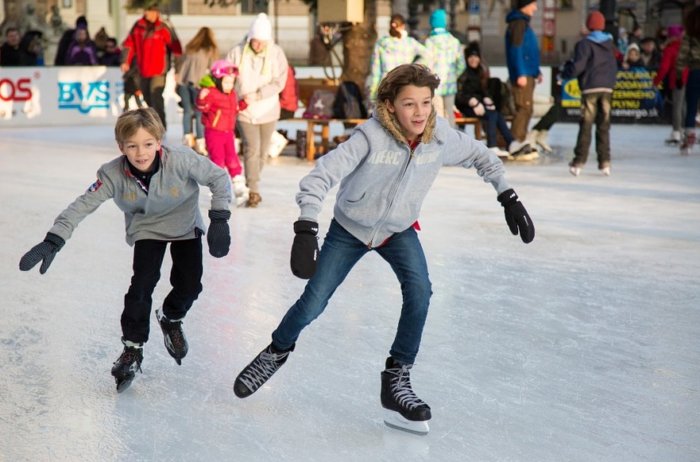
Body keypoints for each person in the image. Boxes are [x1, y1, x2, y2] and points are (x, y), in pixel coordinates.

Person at [231, 64, 535, 435]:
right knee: (313, 302)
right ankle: (276, 351)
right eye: (409, 104)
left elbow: (482, 156)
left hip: (398, 230)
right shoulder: (369, 137)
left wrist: (507, 195)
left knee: (420, 292)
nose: (420, 112)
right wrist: (307, 226)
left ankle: (397, 378)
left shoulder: (439, 138)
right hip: (350, 229)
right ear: (390, 106)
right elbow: (320, 175)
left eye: (426, 102)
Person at [18, 108, 232, 392]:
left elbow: (219, 178)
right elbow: (83, 204)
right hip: (146, 228)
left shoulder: (181, 159)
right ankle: (132, 348)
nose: (141, 153)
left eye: (147, 144)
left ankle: (171, 316)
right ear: (121, 147)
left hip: (184, 226)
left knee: (190, 285)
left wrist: (219, 217)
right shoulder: (112, 174)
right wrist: (55, 238)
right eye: (132, 146)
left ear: (159, 141)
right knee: (141, 286)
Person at [227, 13, 288, 208]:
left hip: (268, 109)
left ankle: (250, 180)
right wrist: (235, 96)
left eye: (262, 42)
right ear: (250, 37)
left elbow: (280, 81)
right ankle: (253, 190)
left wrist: (260, 94)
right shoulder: (237, 52)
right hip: (245, 111)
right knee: (251, 149)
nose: (258, 45)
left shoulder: (276, 53)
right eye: (255, 41)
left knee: (262, 153)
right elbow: (226, 75)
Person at [560, 11, 617, 176]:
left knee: (586, 125)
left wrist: (564, 74)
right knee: (603, 125)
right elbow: (614, 65)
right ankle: (605, 162)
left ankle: (578, 162)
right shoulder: (610, 44)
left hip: (590, 87)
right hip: (607, 88)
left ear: (589, 25)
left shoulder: (584, 44)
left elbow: (578, 66)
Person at [456, 41, 535, 159]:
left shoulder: (479, 72)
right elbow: (459, 94)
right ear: (467, 58)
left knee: (497, 114)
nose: (473, 59)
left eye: (476, 56)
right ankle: (492, 145)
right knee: (492, 115)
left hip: (478, 105)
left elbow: (481, 91)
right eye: (471, 57)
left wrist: (486, 99)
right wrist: (472, 101)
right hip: (465, 106)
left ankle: (511, 143)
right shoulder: (464, 73)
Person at [197, 59, 250, 207]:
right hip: (214, 133)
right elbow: (203, 108)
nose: (229, 85)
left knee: (232, 159)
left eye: (232, 82)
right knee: (218, 161)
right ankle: (219, 190)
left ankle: (239, 187)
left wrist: (244, 103)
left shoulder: (232, 94)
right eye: (226, 82)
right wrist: (202, 98)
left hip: (228, 133)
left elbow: (235, 109)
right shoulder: (211, 93)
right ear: (218, 80)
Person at [121, 3, 182, 129]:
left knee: (156, 96)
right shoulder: (138, 26)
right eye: (145, 10)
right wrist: (125, 60)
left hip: (159, 70)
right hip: (143, 69)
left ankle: (161, 127)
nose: (146, 13)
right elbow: (129, 44)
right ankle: (153, 125)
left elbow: (176, 48)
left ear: (156, 12)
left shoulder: (163, 27)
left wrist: (178, 69)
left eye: (149, 10)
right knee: (147, 98)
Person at [505, 0, 543, 156]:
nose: (535, 7)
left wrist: (536, 71)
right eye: (533, 4)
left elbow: (528, 51)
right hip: (523, 74)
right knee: (523, 108)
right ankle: (515, 143)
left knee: (527, 108)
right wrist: (520, 72)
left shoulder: (523, 23)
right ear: (524, 5)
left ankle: (520, 141)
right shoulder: (518, 23)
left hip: (528, 72)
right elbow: (516, 50)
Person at [367, 14, 431, 103]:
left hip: (386, 83)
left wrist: (373, 92)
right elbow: (427, 55)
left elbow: (375, 70)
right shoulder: (410, 43)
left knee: (386, 113)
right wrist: (414, 67)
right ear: (403, 26)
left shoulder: (381, 43)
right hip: (405, 82)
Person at [176, 26, 218, 154]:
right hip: (199, 85)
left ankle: (187, 139)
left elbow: (180, 65)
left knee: (187, 111)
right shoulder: (210, 50)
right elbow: (213, 69)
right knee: (200, 113)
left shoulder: (190, 48)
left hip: (184, 82)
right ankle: (200, 141)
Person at [424, 9, 465, 127]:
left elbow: (427, 65)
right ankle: (452, 141)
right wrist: (454, 75)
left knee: (437, 113)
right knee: (449, 113)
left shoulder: (430, 42)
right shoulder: (454, 41)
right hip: (450, 83)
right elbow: (461, 64)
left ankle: (439, 142)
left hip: (434, 84)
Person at [653, 24, 687, 146]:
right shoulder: (685, 47)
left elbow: (664, 67)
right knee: (683, 106)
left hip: (678, 79)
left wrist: (656, 82)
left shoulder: (671, 49)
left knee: (677, 106)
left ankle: (677, 132)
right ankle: (684, 130)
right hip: (689, 79)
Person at [676, 6, 700, 155]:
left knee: (690, 106)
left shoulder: (690, 34)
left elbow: (682, 55)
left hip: (696, 70)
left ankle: (689, 138)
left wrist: (679, 74)